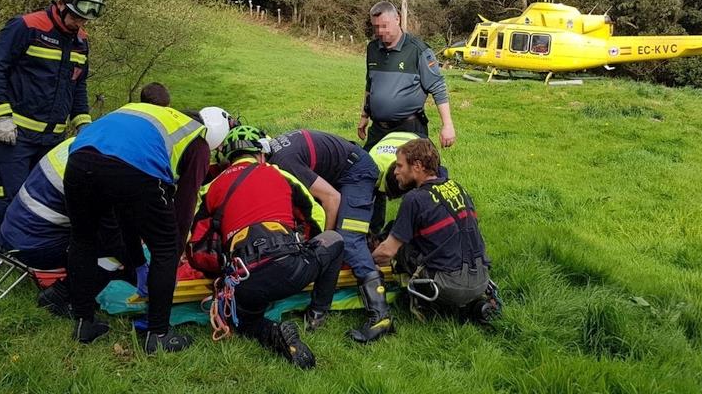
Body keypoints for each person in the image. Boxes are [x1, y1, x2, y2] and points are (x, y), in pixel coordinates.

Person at [63, 103, 230, 353]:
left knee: (83, 239)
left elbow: (125, 214)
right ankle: (159, 333)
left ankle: (83, 322)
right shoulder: (198, 141)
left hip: (79, 158)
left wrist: (138, 263)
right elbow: (184, 209)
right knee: (164, 246)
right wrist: (172, 259)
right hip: (134, 167)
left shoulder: (156, 114)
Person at [0, 85, 175, 315]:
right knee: (108, 255)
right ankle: (64, 294)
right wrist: (139, 266)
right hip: (36, 243)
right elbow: (112, 232)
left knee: (103, 241)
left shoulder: (96, 139)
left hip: (18, 232)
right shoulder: (110, 162)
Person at [189, 126, 344, 369]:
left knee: (246, 322)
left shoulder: (211, 189)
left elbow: (198, 252)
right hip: (292, 269)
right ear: (261, 153)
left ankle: (272, 332)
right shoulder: (279, 174)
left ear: (227, 158)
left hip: (245, 280)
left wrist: (221, 269)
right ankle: (317, 313)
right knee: (335, 239)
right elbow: (317, 218)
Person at [0, 0, 104, 251]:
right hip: (15, 136)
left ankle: (33, 257)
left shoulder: (81, 41)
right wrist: (0, 116)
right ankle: (2, 256)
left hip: (53, 140)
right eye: (75, 16)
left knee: (47, 202)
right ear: (60, 3)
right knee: (10, 199)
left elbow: (78, 84)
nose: (80, 24)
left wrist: (84, 124)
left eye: (85, 19)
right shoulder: (26, 27)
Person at [266, 129, 394, 343]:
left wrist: (326, 244)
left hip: (357, 172)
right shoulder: (274, 152)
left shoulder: (283, 162)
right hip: (339, 170)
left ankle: (381, 315)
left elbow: (332, 199)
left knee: (348, 240)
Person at [371, 139, 500, 323]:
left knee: (397, 236)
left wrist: (364, 262)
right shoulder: (457, 187)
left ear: (417, 166)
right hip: (481, 279)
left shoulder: (414, 199)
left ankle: (418, 299)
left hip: (449, 287)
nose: (396, 171)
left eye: (399, 166)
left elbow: (388, 251)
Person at [358, 1, 456, 151]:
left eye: (384, 26)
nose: (380, 31)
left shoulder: (418, 50)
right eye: (376, 27)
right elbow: (370, 84)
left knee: (410, 172)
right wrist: (365, 116)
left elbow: (438, 87)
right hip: (378, 130)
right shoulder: (373, 48)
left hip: (409, 128)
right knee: (366, 170)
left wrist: (447, 125)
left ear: (397, 19)